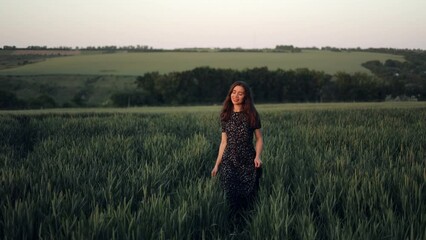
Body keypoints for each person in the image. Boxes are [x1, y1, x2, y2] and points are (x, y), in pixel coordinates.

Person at [211, 81, 263, 223]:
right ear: (230, 94)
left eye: (240, 93)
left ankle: (247, 223)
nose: (236, 96)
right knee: (230, 194)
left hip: (247, 160)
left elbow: (259, 139)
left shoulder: (251, 114)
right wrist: (217, 165)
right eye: (234, 92)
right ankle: (231, 224)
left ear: (245, 96)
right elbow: (224, 142)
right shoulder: (225, 115)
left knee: (248, 196)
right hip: (229, 161)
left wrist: (258, 156)